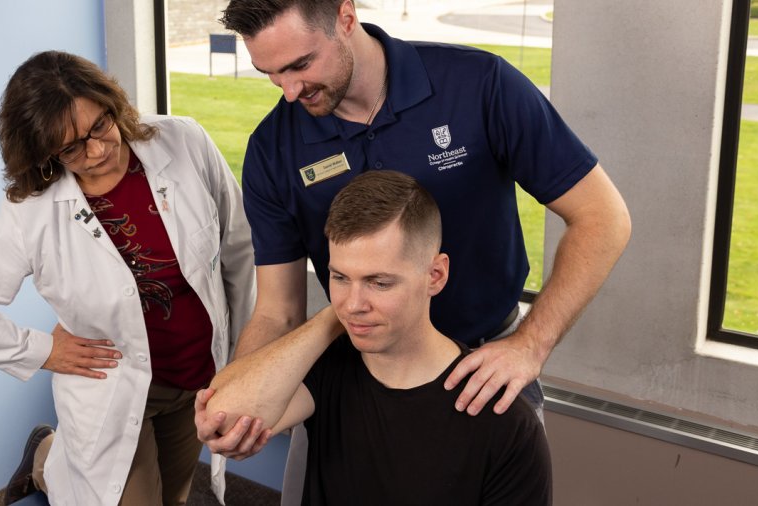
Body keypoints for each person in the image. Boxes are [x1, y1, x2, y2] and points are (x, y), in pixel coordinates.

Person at [198, 0, 630, 465]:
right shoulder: (273, 148)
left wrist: (530, 344)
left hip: (482, 370)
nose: (289, 90)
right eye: (271, 73)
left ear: (346, 18)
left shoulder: (480, 85)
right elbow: (278, 311)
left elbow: (602, 217)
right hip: (352, 373)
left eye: (301, 64)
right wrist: (240, 404)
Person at [0, 51, 254, 506]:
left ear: (112, 104)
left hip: (197, 376)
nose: (97, 150)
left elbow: (238, 246)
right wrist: (44, 350)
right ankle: (47, 460)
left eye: (100, 125)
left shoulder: (183, 142)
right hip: (115, 393)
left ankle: (46, 454)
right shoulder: (32, 215)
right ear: (43, 153)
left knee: (175, 498)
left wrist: (246, 355)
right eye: (71, 147)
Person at [206, 171, 551, 504]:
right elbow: (222, 417)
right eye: (340, 277)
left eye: (379, 282)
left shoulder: (507, 423)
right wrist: (333, 317)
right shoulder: (327, 366)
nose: (354, 304)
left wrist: (346, 302)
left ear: (435, 275)